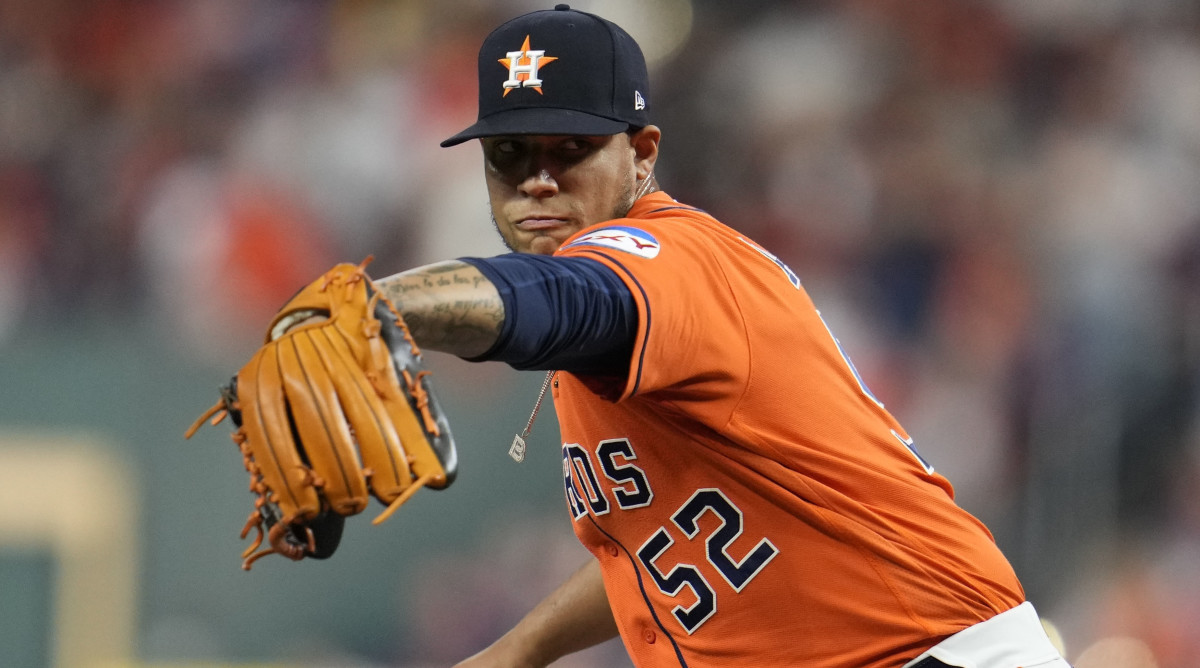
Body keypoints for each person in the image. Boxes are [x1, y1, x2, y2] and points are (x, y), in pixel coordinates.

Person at [358, 6, 1071, 667]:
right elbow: (670, 551)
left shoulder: (669, 259)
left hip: (935, 652)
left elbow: (559, 301)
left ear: (641, 153)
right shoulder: (631, 308)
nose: (537, 180)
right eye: (509, 153)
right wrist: (519, 649)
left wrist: (374, 307)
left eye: (571, 147)